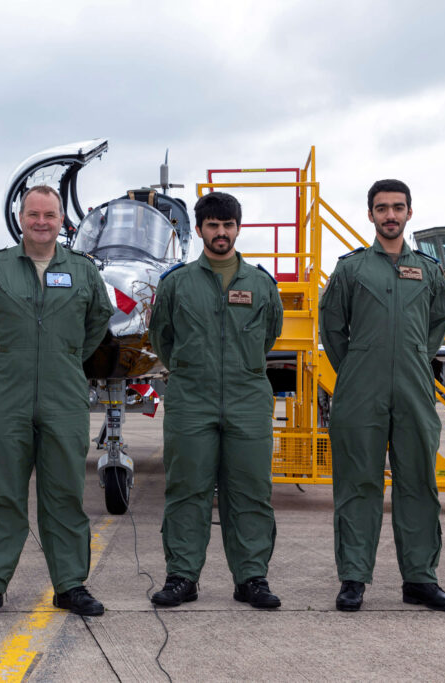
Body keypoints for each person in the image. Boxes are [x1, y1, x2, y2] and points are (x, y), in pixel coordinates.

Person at [0, 185, 114, 617]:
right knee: (4, 495)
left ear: (61, 220)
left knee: (64, 493)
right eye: (34, 214)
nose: (41, 222)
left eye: (49, 215)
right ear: (21, 217)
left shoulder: (82, 271)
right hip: (6, 395)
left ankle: (70, 585)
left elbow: (97, 321)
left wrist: (62, 356)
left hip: (63, 396)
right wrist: (12, 357)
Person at [320, 179, 445, 612]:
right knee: (358, 483)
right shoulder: (351, 269)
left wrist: (413, 356)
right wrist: (362, 364)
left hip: (415, 389)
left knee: (418, 481)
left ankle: (420, 579)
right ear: (371, 215)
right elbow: (332, 329)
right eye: (382, 208)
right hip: (360, 390)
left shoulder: (430, 271)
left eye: (398, 207)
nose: (390, 215)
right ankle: (354, 579)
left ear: (409, 213)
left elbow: (438, 322)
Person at [148, 191, 284, 610]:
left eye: (228, 225)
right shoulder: (177, 283)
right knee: (188, 489)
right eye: (212, 225)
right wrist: (193, 371)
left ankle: (251, 578)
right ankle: (182, 577)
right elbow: (162, 339)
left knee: (250, 491)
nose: (221, 232)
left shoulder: (261, 284)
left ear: (238, 228)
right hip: (192, 399)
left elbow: (270, 335)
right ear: (201, 229)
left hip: (247, 399)